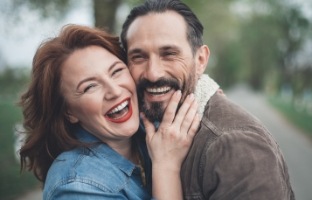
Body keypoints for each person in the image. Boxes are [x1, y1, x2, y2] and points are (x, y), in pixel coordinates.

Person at [120, 0, 295, 199]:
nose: (152, 73)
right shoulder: (141, 128)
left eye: (169, 54)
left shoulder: (234, 145)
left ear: (200, 60)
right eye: (139, 57)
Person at [19, 24, 200, 200]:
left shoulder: (149, 126)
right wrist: (166, 167)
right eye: (90, 86)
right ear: (69, 112)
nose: (114, 91)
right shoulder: (75, 186)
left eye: (116, 71)